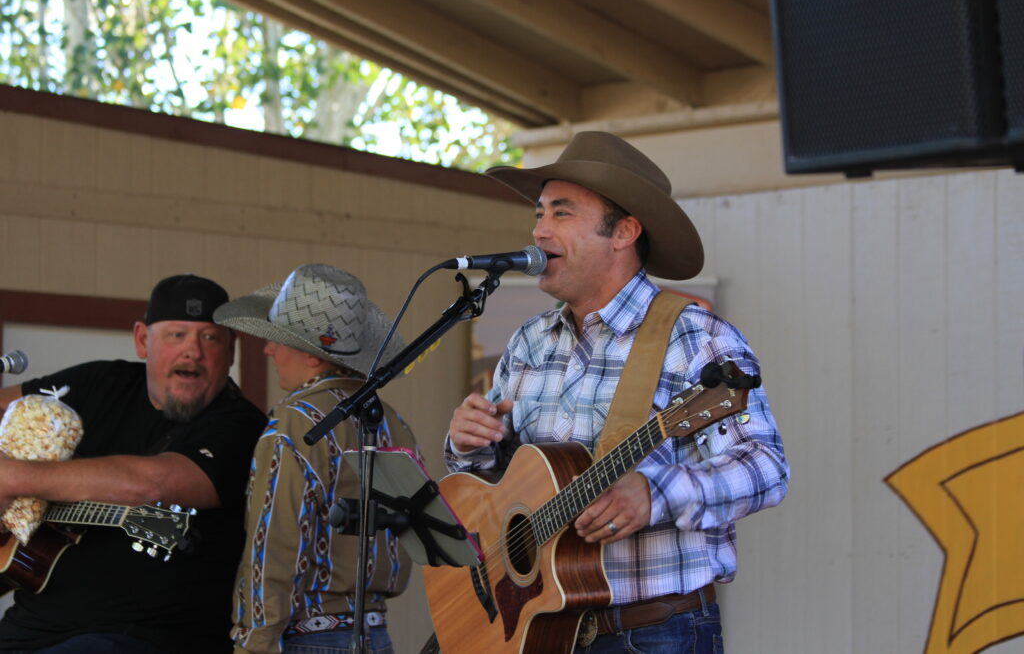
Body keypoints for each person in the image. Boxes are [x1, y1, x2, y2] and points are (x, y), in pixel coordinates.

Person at [445, 131, 790, 653]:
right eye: (538, 214)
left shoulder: (694, 336)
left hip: (654, 633)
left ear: (624, 231)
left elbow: (767, 467)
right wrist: (471, 448)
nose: (538, 232)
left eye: (561, 213)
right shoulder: (530, 341)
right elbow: (498, 492)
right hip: (542, 627)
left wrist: (657, 494)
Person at [0, 274, 266, 653]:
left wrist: (14, 478)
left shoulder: (242, 427)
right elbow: (6, 407)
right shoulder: (101, 381)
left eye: (210, 338)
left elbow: (154, 483)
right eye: (177, 335)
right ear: (143, 339)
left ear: (231, 351)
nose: (193, 352)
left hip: (147, 637)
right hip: (31, 626)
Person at [215, 263, 418, 654]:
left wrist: (254, 643)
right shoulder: (394, 423)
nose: (268, 348)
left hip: (313, 638)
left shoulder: (295, 423)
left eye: (280, 339)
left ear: (312, 357)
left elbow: (274, 546)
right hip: (377, 635)